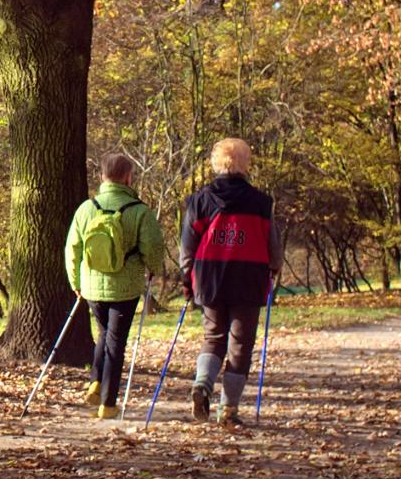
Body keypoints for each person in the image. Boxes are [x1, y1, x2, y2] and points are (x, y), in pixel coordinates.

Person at [178, 137, 281, 428]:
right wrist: (274, 268)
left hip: (210, 278)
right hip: (249, 278)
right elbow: (273, 244)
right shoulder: (261, 202)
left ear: (216, 162)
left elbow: (187, 246)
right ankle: (229, 410)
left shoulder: (199, 201)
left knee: (213, 337)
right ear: (245, 163)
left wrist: (188, 277)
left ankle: (203, 382)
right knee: (240, 344)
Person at [65, 152, 165, 419]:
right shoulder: (139, 211)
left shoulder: (86, 209)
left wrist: (75, 281)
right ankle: (108, 404)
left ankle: (95, 382)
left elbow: (72, 248)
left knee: (104, 334)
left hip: (92, 286)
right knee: (115, 341)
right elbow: (153, 247)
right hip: (126, 286)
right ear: (128, 177)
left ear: (102, 177)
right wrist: (153, 269)